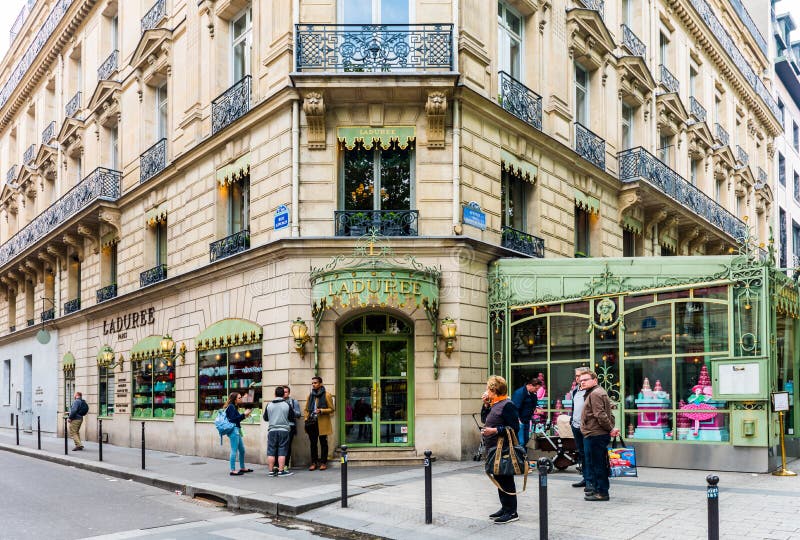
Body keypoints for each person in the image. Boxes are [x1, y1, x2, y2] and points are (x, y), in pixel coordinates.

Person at [480, 375, 521, 525]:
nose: (486, 391)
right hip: (493, 449)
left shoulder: (507, 404)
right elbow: (484, 419)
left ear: (494, 390)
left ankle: (512, 512)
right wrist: (485, 405)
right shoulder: (495, 403)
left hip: (502, 449)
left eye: (488, 389)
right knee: (499, 478)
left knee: (506, 479)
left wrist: (495, 431)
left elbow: (514, 428)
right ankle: (505, 507)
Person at [579, 371, 620, 501]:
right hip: (594, 434)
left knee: (598, 464)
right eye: (580, 380)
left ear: (595, 380)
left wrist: (611, 428)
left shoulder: (596, 393)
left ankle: (602, 492)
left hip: (596, 435)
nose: (582, 382)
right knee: (595, 463)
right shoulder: (595, 392)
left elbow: (601, 415)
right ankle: (597, 489)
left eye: (585, 379)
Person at [305, 376, 335, 471]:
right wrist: (306, 418)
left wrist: (321, 410)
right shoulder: (310, 395)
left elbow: (332, 409)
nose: (313, 384)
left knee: (323, 443)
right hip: (311, 423)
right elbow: (306, 409)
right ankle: (314, 462)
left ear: (320, 384)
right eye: (312, 383)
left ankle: (323, 462)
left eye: (315, 383)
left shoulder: (327, 395)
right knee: (313, 444)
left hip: (322, 423)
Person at [264, 386, 294, 477]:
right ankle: (281, 471)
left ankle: (271, 471)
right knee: (282, 450)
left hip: (272, 430)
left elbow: (265, 418)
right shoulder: (287, 404)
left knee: (271, 451)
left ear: (275, 394)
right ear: (283, 395)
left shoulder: (269, 405)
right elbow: (291, 417)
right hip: (284, 430)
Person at [569, 366, 590, 489]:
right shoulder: (576, 390)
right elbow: (574, 407)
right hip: (576, 426)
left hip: (588, 427)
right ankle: (586, 478)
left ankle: (591, 480)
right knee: (582, 454)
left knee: (589, 454)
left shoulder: (590, 391)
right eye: (576, 376)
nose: (577, 378)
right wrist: (572, 420)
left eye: (580, 376)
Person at [223, 392, 253, 476]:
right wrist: (244, 414)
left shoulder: (234, 407)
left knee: (242, 450)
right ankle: (232, 470)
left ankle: (242, 467)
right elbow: (233, 420)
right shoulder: (231, 407)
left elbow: (236, 419)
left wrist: (244, 415)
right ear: (235, 399)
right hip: (234, 431)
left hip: (237, 430)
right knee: (234, 450)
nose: (241, 399)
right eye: (239, 398)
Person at [511, 378, 536, 448]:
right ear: (530, 385)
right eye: (536, 388)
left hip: (526, 420)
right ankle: (519, 458)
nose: (536, 390)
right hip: (520, 421)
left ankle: (523, 458)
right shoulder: (519, 393)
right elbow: (514, 408)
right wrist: (518, 420)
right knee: (521, 442)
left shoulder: (531, 394)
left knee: (525, 441)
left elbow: (532, 405)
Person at [283, 385, 301, 470]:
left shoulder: (294, 402)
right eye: (283, 392)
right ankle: (278, 465)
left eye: (286, 392)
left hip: (290, 426)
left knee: (287, 446)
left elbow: (298, 414)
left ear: (289, 393)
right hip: (281, 426)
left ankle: (286, 464)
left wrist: (290, 409)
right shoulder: (278, 402)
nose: (284, 394)